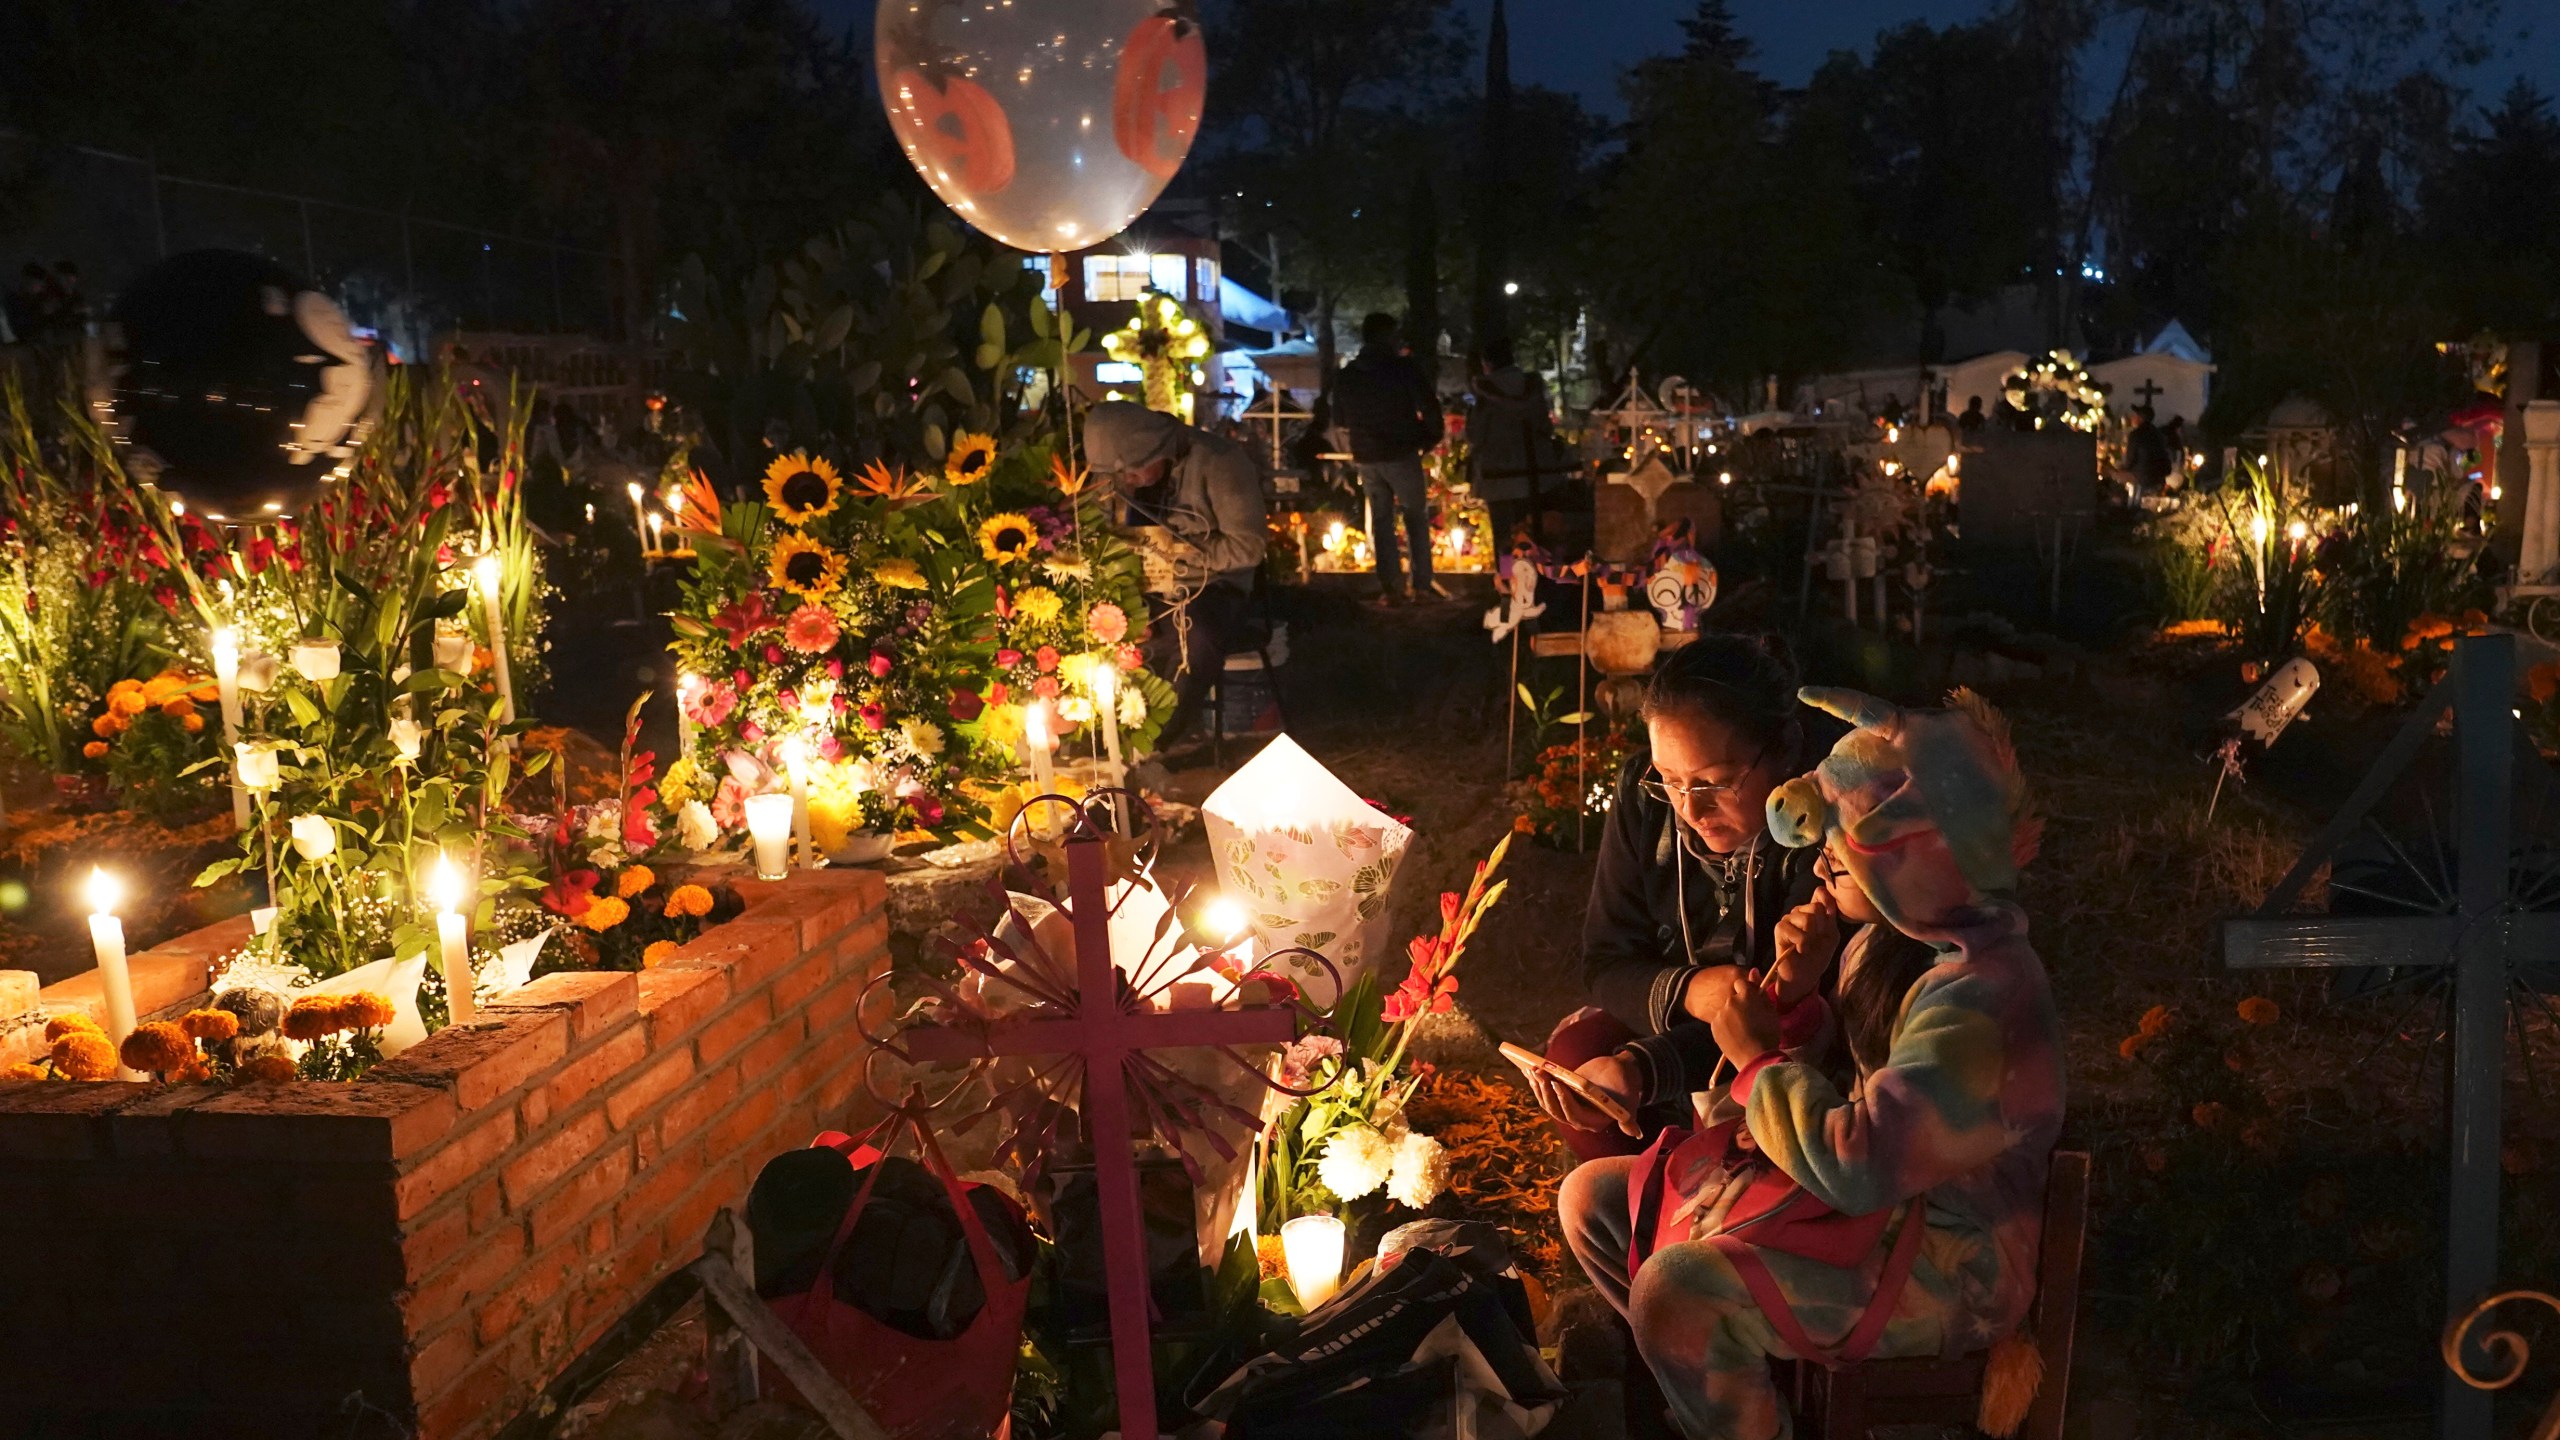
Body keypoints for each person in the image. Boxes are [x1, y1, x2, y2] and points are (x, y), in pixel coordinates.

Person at [1559, 687, 2063, 1440]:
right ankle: (1726, 1400)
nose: (1821, 855)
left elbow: (1858, 1161)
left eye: (1848, 840)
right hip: (1868, 1215)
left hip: (1948, 1265)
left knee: (1676, 1293)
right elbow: (1842, 1091)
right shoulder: (1887, 945)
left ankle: (1729, 1402)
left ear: (1918, 862)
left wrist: (1757, 1056)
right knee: (1596, 1200)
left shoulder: (1983, 1001)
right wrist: (1794, 1003)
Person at [1529, 635, 1830, 1161]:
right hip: (1672, 1022)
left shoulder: (1817, 826)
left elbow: (1780, 1014)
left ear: (1782, 750)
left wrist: (1643, 1068)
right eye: (1670, 781)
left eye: (1716, 782)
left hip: (1787, 1048)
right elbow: (1606, 960)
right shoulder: (1643, 796)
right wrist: (1690, 991)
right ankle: (1656, 1204)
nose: (1691, 809)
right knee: (1578, 1058)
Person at [1083, 400, 1269, 750]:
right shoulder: (1117, 470)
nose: (1126, 482)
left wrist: (1179, 557)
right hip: (1142, 586)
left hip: (1212, 587)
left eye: (1134, 473)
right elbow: (1098, 523)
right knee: (1099, 626)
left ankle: (1153, 741)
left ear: (1160, 448)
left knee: (1191, 639)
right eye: (1119, 476)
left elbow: (1249, 548)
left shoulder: (1219, 462)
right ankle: (1102, 734)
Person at [1330, 312, 1443, 604]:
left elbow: (1339, 417)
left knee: (1381, 520)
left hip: (1366, 455)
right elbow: (1428, 405)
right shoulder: (1403, 369)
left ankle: (1391, 588)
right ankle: (1421, 585)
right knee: (1415, 516)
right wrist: (1429, 436)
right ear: (1384, 336)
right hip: (1401, 451)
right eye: (1394, 335)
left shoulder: (1349, 374)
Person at [1467, 338, 1559, 548]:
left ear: (1486, 363)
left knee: (1504, 537)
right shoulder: (1531, 387)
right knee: (1532, 531)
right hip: (1535, 472)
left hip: (1498, 476)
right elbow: (1546, 427)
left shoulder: (1485, 391)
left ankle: (1508, 576)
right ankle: (1535, 574)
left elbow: (1476, 434)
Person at [2124, 404, 2171, 498]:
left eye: (2134, 415)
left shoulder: (2135, 435)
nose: (2132, 418)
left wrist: (2122, 469)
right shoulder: (2158, 434)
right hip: (2159, 477)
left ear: (2140, 418)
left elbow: (2130, 461)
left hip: (2142, 478)